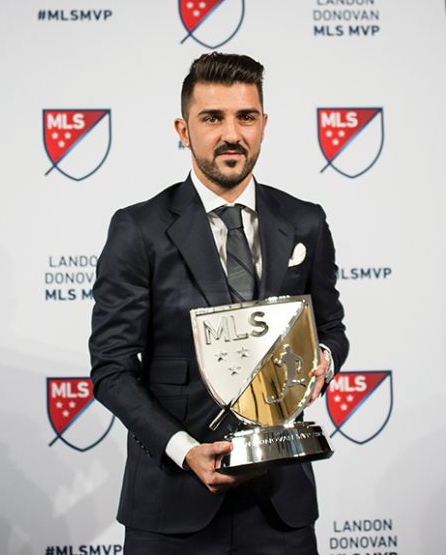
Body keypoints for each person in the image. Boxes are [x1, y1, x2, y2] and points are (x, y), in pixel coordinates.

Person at [89, 52, 349, 554]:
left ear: (264, 125)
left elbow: (332, 326)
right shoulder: (138, 230)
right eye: (213, 118)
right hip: (172, 502)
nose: (232, 134)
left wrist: (324, 359)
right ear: (183, 129)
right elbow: (111, 369)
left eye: (245, 117)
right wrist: (186, 451)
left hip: (281, 507)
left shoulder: (305, 222)